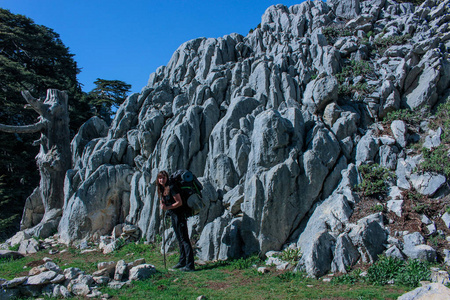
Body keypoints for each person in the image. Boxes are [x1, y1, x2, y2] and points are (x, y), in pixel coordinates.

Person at [157, 170, 195, 272]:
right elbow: (163, 200)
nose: (161, 180)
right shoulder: (162, 188)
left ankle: (190, 265)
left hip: (179, 215)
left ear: (167, 178)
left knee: (184, 239)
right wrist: (163, 205)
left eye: (163, 178)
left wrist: (168, 207)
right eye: (160, 178)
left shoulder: (172, 187)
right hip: (174, 215)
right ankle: (182, 261)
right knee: (179, 238)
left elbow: (179, 202)